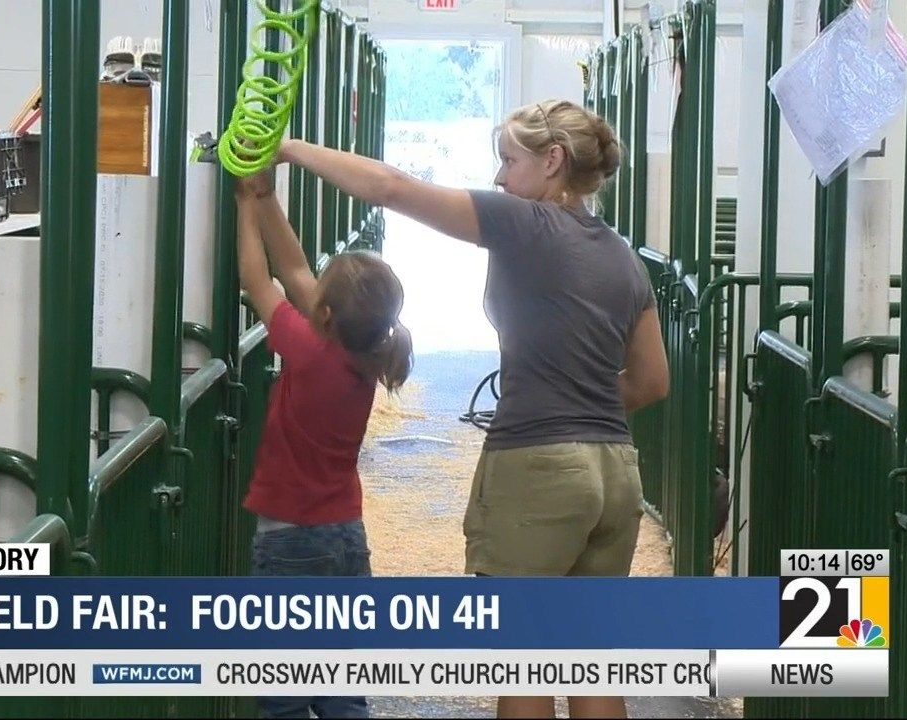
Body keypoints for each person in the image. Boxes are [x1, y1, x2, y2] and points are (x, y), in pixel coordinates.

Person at [276, 99, 670, 719]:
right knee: (591, 658)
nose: (499, 178)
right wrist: (583, 396)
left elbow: (392, 187)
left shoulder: (525, 223)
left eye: (509, 161)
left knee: (524, 658)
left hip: (538, 467)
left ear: (553, 161)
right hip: (615, 470)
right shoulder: (624, 258)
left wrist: (288, 149)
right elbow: (652, 382)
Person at [235, 167, 413, 719]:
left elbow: (261, 279)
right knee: (340, 684)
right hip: (346, 538)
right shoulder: (368, 354)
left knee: (286, 691)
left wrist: (244, 203)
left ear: (326, 314)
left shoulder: (308, 347)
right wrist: (266, 199)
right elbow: (295, 270)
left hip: (290, 540)